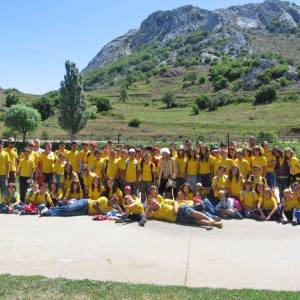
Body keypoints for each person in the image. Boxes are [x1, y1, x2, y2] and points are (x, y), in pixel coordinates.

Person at [145, 197, 223, 228]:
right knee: (196, 221)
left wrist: (175, 209)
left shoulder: (164, 201)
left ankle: (209, 219)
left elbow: (174, 202)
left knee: (193, 213)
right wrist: (148, 207)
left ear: (157, 200)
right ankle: (215, 224)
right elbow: (146, 215)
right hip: (177, 219)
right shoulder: (154, 213)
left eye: (154, 202)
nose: (153, 204)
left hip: (180, 209)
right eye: (151, 204)